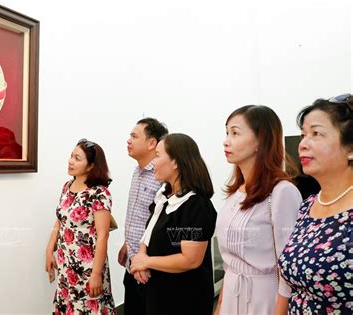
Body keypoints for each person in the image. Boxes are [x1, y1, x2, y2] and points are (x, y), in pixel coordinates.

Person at [214, 105, 303, 315]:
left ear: (260, 140)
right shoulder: (235, 193)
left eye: (235, 133)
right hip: (230, 297)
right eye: (227, 132)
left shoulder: (282, 192)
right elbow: (229, 263)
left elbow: (288, 269)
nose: (226, 140)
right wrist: (219, 306)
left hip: (264, 299)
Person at [278, 94, 353, 314]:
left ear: (350, 148)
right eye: (303, 135)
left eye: (316, 134)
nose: (303, 144)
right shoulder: (308, 205)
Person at [130, 133, 217, 315]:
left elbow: (190, 259)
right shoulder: (164, 196)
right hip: (159, 294)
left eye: (158, 155)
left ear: (176, 162)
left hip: (184, 300)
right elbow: (150, 233)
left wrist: (147, 261)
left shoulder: (195, 206)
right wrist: (141, 259)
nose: (154, 161)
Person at [45, 138, 115, 314]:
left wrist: (97, 274)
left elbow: (103, 235)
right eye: (71, 156)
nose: (70, 161)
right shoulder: (67, 186)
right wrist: (49, 251)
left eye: (77, 158)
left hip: (87, 268)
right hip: (66, 264)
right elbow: (60, 220)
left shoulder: (99, 193)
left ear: (91, 166)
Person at [117, 117, 168, 314]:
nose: (128, 140)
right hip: (132, 262)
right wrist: (127, 244)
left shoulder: (161, 177)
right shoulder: (137, 172)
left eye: (134, 136)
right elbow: (139, 216)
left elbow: (159, 225)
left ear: (151, 143)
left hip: (149, 267)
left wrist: (143, 257)